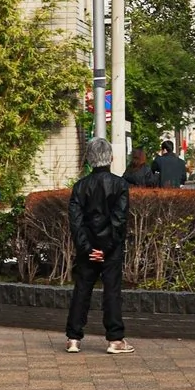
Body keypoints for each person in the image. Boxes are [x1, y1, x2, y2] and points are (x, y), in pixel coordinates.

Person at [64, 141, 129, 354]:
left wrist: (87, 247)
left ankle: (73, 338)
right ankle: (115, 340)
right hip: (111, 250)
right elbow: (119, 221)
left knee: (82, 290)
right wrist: (106, 248)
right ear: (110, 158)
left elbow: (76, 222)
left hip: (87, 249)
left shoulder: (80, 187)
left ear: (89, 159)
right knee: (112, 291)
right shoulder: (120, 186)